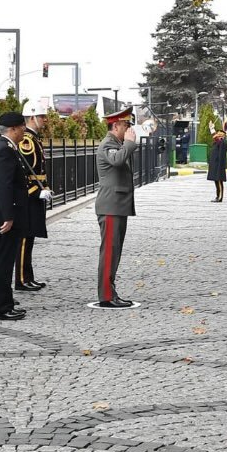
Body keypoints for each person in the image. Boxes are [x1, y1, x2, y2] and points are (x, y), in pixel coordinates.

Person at [0, 112, 31, 320]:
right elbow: (4, 185)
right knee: (3, 262)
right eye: (22, 127)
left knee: (4, 261)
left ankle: (5, 303)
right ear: (13, 129)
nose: (24, 131)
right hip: (4, 217)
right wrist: (8, 216)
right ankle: (0, 309)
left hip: (2, 215)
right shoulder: (4, 150)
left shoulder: (5, 147)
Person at [95, 107, 138, 308]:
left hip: (117, 206)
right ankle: (106, 295)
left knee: (115, 251)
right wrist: (129, 143)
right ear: (115, 126)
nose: (128, 128)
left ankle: (110, 291)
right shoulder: (108, 145)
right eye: (125, 125)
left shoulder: (117, 144)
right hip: (111, 207)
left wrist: (127, 144)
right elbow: (117, 160)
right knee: (110, 252)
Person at [15, 101, 53, 293]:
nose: (44, 120)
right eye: (41, 116)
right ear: (31, 117)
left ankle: (28, 276)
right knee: (24, 238)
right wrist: (36, 190)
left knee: (29, 238)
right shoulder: (27, 141)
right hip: (29, 196)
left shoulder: (34, 138)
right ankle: (21, 279)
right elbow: (24, 172)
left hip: (36, 195)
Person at [208, 118, 227, 202]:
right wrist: (211, 129)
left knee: (219, 181)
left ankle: (220, 197)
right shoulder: (218, 141)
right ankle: (217, 196)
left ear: (222, 136)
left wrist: (212, 129)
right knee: (216, 181)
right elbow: (215, 138)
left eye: (219, 135)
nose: (217, 136)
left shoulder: (223, 142)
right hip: (216, 164)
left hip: (219, 165)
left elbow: (216, 138)